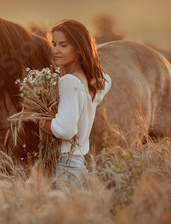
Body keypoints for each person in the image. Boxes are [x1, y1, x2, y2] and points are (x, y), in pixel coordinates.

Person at [23, 19, 112, 187]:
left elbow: (65, 130)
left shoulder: (69, 82)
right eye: (54, 44)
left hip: (63, 169)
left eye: (64, 45)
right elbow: (107, 80)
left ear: (79, 49)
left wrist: (35, 117)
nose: (56, 50)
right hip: (77, 167)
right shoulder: (94, 83)